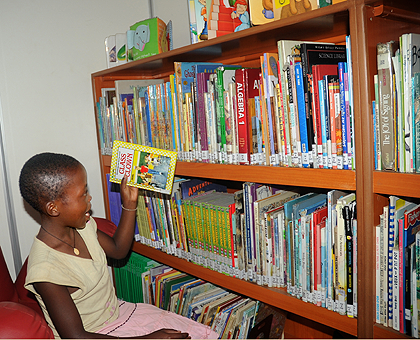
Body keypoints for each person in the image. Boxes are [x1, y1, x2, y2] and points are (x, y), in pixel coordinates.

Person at [19, 152, 218, 339]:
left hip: (119, 314)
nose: (90, 198)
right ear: (53, 208)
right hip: (94, 334)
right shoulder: (46, 271)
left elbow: (118, 250)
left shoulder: (83, 226)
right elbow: (76, 336)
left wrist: (129, 204)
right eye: (83, 194)